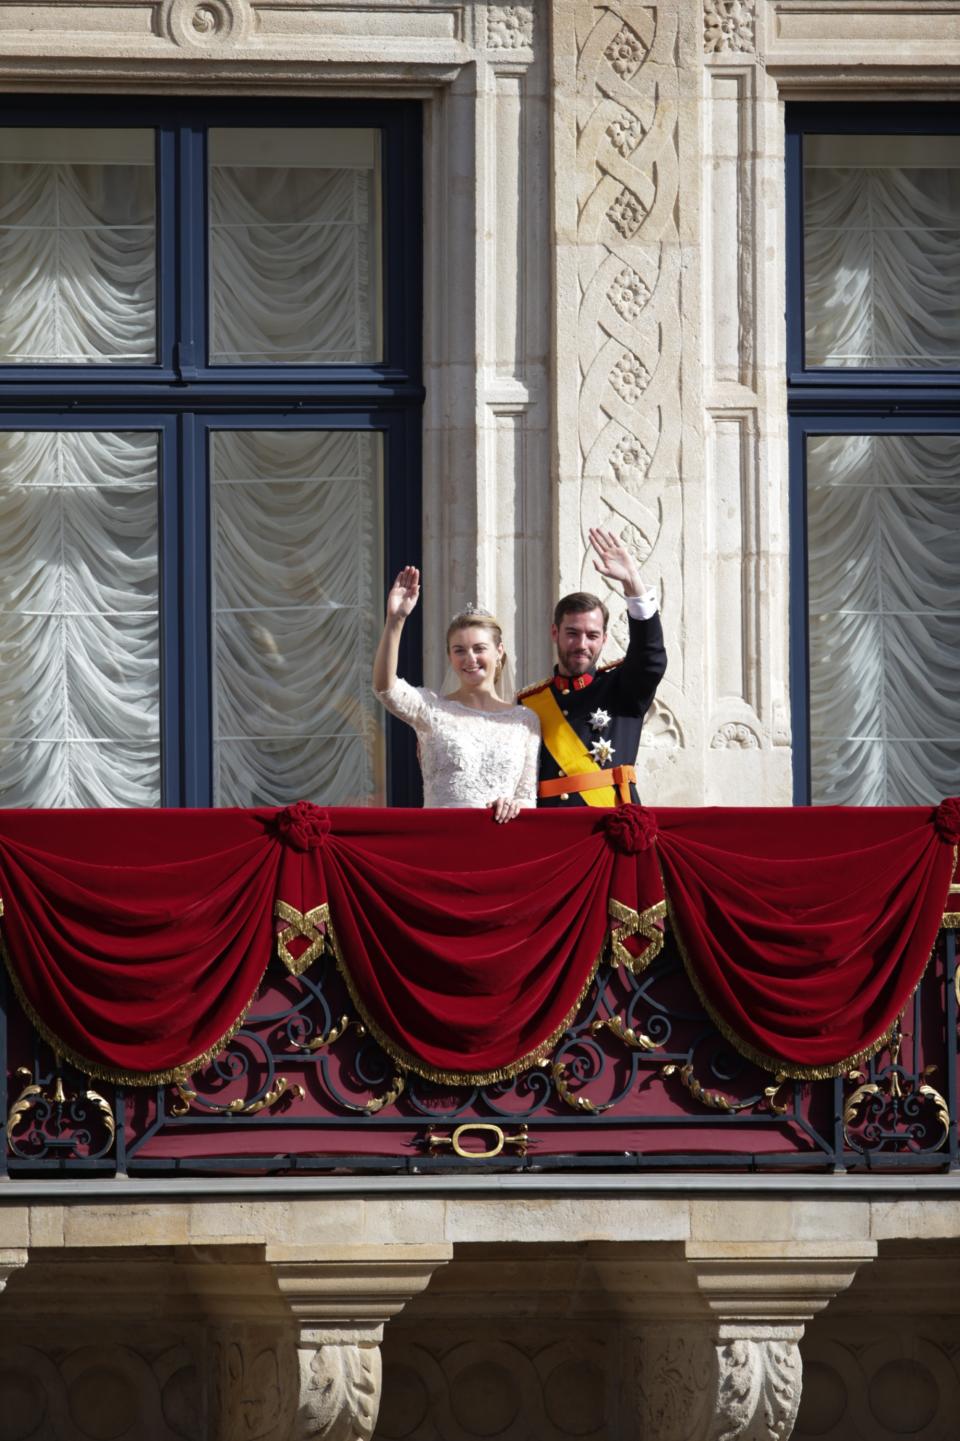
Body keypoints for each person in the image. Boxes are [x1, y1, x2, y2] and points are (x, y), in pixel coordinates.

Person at [373, 566, 540, 822]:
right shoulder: (431, 709)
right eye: (459, 650)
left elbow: (527, 798)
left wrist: (512, 805)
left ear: (499, 651)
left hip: (500, 840)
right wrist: (395, 620)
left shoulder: (525, 720)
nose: (470, 658)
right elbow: (385, 688)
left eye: (479, 648)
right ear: (450, 656)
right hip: (441, 837)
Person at [518, 527, 666, 807]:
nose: (582, 644)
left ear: (604, 639)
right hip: (552, 832)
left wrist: (633, 584)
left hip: (608, 829)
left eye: (592, 635)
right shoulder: (529, 703)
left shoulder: (623, 690)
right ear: (555, 633)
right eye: (572, 633)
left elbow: (651, 657)